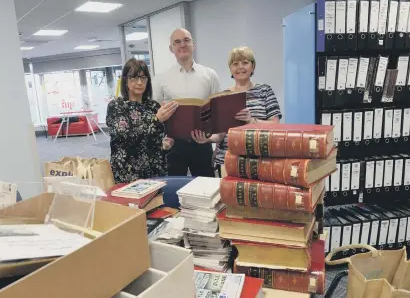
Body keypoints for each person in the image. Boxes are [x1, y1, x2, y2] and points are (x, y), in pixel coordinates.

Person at [191, 46, 282, 176]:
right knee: (229, 196)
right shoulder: (223, 96)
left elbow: (276, 125)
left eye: (245, 63)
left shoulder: (264, 91)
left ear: (253, 66)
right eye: (235, 64)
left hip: (259, 159)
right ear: (230, 69)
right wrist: (207, 139)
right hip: (227, 160)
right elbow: (221, 135)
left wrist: (252, 121)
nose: (240, 67)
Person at [153, 28, 221, 177]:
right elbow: (155, 114)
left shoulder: (210, 75)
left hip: (202, 143)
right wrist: (161, 140)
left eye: (186, 40)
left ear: (193, 45)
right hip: (174, 145)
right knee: (173, 192)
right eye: (177, 42)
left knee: (206, 190)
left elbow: (218, 113)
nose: (182, 44)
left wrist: (213, 139)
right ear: (171, 49)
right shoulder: (161, 79)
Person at [106, 58, 178, 183]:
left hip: (155, 171)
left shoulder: (154, 106)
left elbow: (156, 139)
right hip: (128, 173)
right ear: (125, 80)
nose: (139, 82)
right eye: (134, 78)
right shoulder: (116, 106)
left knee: (158, 202)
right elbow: (126, 138)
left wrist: (165, 145)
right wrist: (156, 120)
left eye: (143, 78)